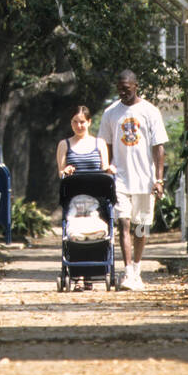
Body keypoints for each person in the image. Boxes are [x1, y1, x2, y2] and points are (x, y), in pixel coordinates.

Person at [98, 70, 167, 291]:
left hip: (145, 181)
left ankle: (137, 269)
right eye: (119, 89)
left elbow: (159, 147)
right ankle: (127, 272)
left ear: (136, 86)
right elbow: (104, 144)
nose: (122, 93)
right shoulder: (110, 113)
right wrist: (107, 166)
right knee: (124, 223)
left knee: (141, 227)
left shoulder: (150, 111)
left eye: (126, 89)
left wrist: (159, 179)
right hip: (120, 180)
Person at [56, 105, 113, 290]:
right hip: (74, 198)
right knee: (75, 233)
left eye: (82, 122)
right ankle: (78, 276)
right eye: (75, 122)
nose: (79, 126)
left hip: (97, 198)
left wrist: (110, 170)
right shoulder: (64, 144)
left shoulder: (99, 143)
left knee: (98, 228)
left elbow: (105, 167)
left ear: (89, 122)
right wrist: (65, 171)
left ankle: (93, 273)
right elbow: (60, 172)